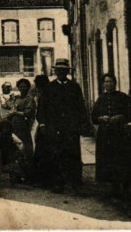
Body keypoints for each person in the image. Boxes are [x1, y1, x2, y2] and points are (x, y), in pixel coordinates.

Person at [36, 59, 90, 193]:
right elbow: (42, 107)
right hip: (54, 127)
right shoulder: (49, 88)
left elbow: (80, 107)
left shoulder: (74, 87)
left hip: (71, 127)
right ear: (55, 71)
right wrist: (42, 123)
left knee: (73, 154)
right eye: (58, 70)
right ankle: (58, 182)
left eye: (63, 70)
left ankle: (75, 182)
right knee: (56, 154)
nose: (61, 72)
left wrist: (82, 123)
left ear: (67, 71)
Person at [91, 73, 131, 198]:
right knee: (109, 160)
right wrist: (101, 118)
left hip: (121, 134)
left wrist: (121, 117)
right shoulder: (100, 99)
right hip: (106, 134)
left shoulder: (123, 97)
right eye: (106, 82)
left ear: (115, 83)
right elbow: (93, 117)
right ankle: (114, 187)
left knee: (124, 159)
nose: (108, 84)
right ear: (103, 84)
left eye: (111, 81)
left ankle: (126, 187)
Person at [8, 78, 36, 181]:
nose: (23, 88)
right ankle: (17, 174)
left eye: (25, 86)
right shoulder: (16, 98)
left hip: (23, 126)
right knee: (15, 150)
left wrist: (15, 113)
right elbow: (8, 108)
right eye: (21, 86)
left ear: (28, 88)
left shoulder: (30, 99)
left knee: (25, 150)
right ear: (18, 87)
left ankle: (28, 175)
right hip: (14, 126)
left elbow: (28, 113)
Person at [31, 74, 51, 184]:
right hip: (43, 125)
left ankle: (43, 177)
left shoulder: (46, 94)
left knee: (44, 150)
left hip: (47, 126)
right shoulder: (41, 94)